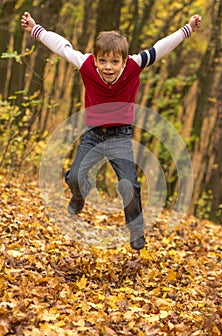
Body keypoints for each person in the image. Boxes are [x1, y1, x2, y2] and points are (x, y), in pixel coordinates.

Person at [21, 11, 201, 250]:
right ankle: (79, 195)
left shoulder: (134, 65)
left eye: (115, 62)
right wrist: (36, 29)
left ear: (124, 61)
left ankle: (136, 231)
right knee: (74, 177)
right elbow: (61, 46)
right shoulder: (85, 64)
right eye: (103, 61)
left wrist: (187, 29)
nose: (108, 67)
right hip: (92, 134)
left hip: (120, 136)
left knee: (130, 185)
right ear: (95, 59)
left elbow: (161, 47)